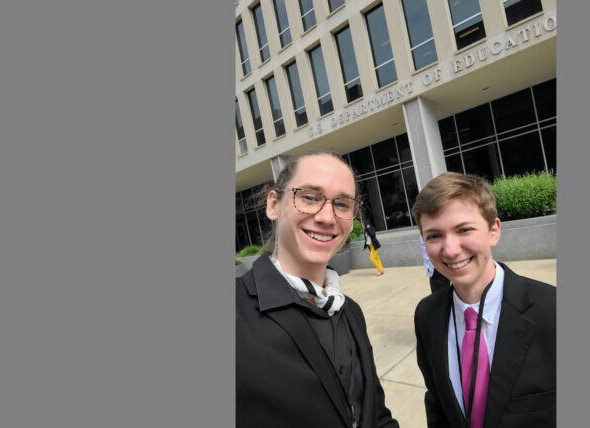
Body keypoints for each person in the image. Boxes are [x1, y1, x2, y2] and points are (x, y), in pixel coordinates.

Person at [236, 151, 399, 428]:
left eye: (342, 204)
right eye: (309, 197)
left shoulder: (350, 312)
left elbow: (376, 415)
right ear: (274, 205)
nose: (327, 217)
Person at [412, 172, 556, 428]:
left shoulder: (552, 309)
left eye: (464, 230)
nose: (451, 249)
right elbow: (436, 403)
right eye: (434, 236)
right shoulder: (426, 314)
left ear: (493, 231)